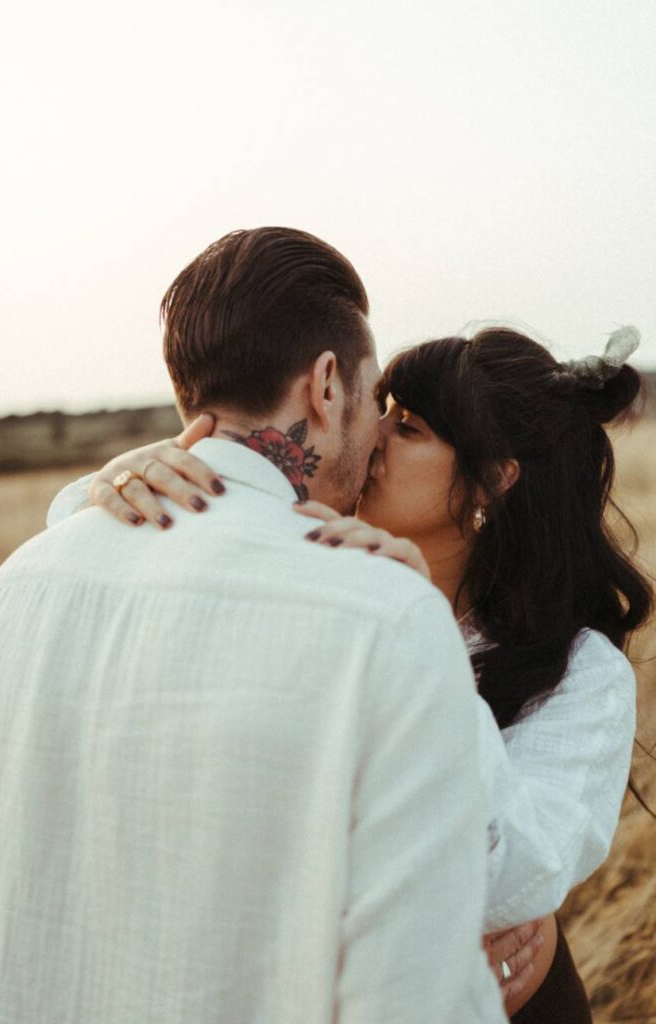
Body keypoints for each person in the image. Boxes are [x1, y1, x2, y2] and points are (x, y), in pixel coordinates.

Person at [0, 227, 508, 1024]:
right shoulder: (386, 619)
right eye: (373, 403)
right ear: (326, 386)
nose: (372, 436)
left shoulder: (10, 592)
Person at [69, 320, 653, 1021]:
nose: (371, 435)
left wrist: (421, 640)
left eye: (407, 427)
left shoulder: (580, 672)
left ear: (493, 480)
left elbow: (506, 877)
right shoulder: (307, 570)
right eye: (382, 411)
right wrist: (106, 490)